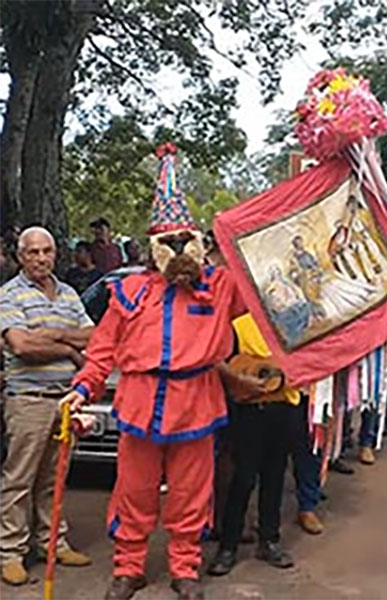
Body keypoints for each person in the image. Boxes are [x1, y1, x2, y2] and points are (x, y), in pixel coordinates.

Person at [62, 144, 247, 600]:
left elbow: (265, 291)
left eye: (187, 239)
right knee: (134, 490)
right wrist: (82, 389)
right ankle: (129, 567)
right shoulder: (128, 291)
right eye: (170, 242)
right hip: (141, 402)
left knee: (190, 493)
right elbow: (103, 349)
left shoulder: (220, 287)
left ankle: (185, 568)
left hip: (198, 401)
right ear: (152, 247)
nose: (180, 249)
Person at [0, 227, 94, 586]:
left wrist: (51, 336)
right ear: (21, 256)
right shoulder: (9, 295)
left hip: (66, 399)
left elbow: (96, 335)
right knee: (19, 478)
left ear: (56, 254)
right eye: (33, 252)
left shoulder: (69, 293)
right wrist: (71, 349)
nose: (41, 258)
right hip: (29, 401)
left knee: (54, 479)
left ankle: (52, 544)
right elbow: (22, 346)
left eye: (47, 251)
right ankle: (10, 551)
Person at [207, 313, 304, 576]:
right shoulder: (239, 325)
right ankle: (228, 546)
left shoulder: (294, 323)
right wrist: (243, 380)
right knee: (243, 477)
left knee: (275, 476)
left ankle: (269, 541)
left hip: (284, 407)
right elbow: (222, 362)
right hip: (248, 410)